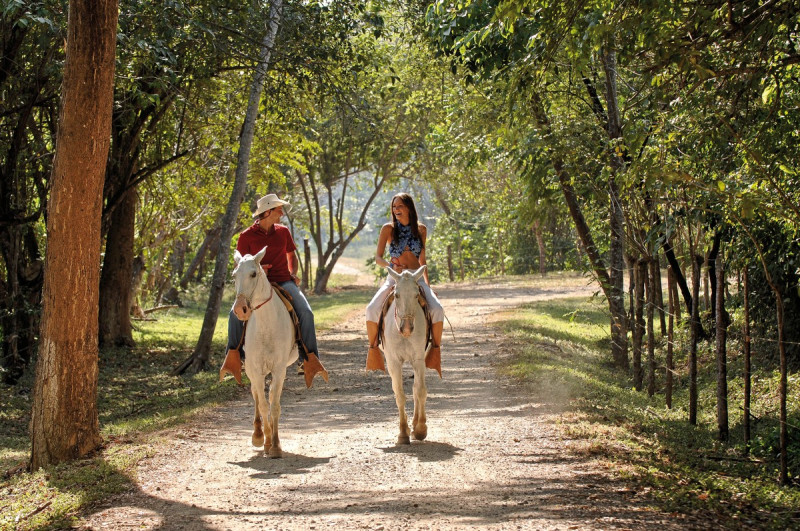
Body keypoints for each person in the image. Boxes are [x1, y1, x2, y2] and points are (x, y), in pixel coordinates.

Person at [219, 193, 326, 388]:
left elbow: (291, 255)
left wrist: (293, 273)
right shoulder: (246, 236)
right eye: (278, 210)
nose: (282, 213)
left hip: (283, 282)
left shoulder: (283, 232)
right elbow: (242, 266)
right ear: (267, 211)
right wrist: (260, 271)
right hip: (256, 287)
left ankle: (309, 358)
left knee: (306, 313)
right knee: (234, 315)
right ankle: (235, 357)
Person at [365, 193, 444, 377]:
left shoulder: (421, 229)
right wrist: (390, 265)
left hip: (415, 279)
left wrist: (428, 286)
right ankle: (374, 349)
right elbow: (377, 258)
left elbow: (422, 260)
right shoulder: (388, 229)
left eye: (400, 206)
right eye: (394, 207)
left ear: (409, 207)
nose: (396, 210)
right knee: (371, 309)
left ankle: (435, 350)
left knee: (438, 310)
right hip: (395, 278)